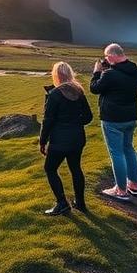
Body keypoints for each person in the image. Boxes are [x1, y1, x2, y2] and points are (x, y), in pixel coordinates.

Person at [90, 43, 137, 202]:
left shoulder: (110, 75)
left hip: (112, 119)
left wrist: (97, 72)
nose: (106, 60)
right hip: (131, 117)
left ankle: (120, 190)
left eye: (107, 57)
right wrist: (108, 70)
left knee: (117, 153)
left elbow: (94, 88)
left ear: (112, 56)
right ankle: (134, 185)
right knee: (129, 149)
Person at [39, 62, 93, 215]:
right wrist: (75, 123)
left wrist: (42, 141)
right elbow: (88, 117)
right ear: (70, 74)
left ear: (56, 75)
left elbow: (48, 120)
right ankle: (80, 203)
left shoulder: (55, 94)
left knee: (50, 168)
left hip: (59, 140)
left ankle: (62, 203)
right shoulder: (79, 92)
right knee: (75, 168)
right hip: (77, 138)